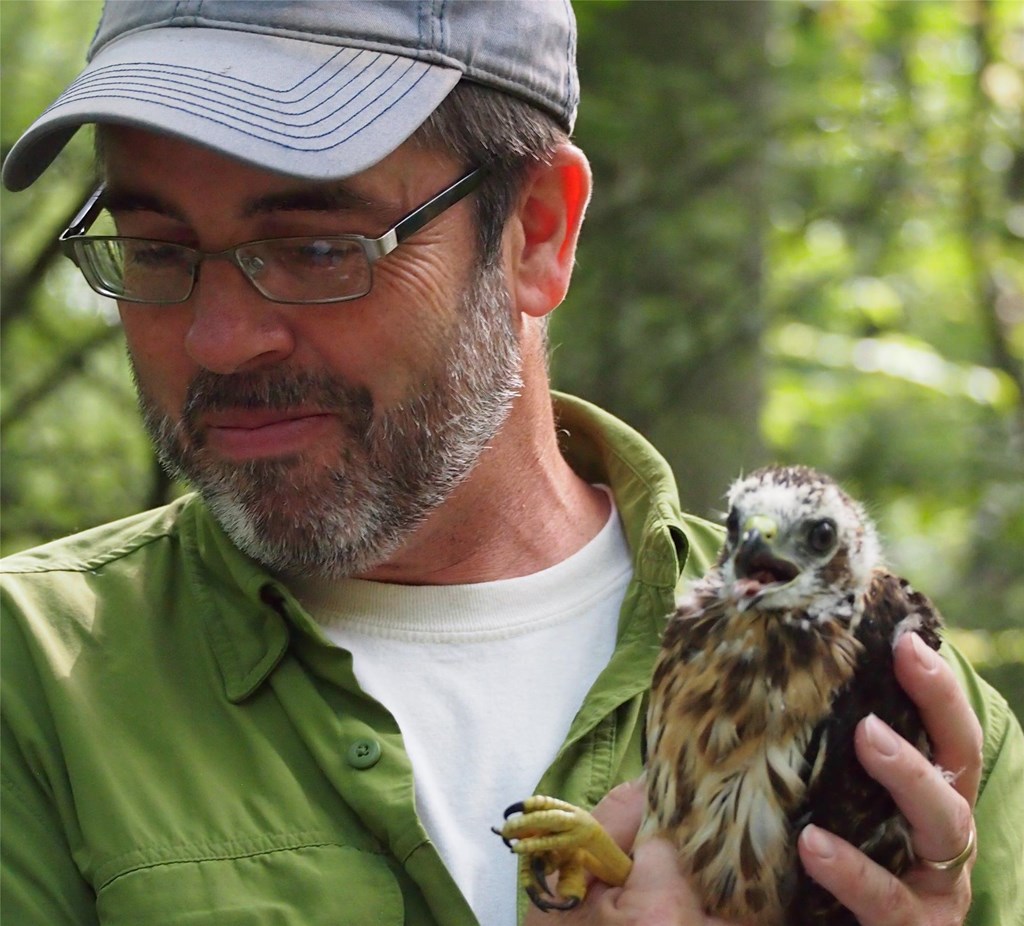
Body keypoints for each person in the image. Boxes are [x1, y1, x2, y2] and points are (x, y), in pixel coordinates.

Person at [1, 3, 1020, 925]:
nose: (219, 338)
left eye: (316, 248)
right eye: (152, 251)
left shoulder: (921, 713)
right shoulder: (32, 677)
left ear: (538, 232)